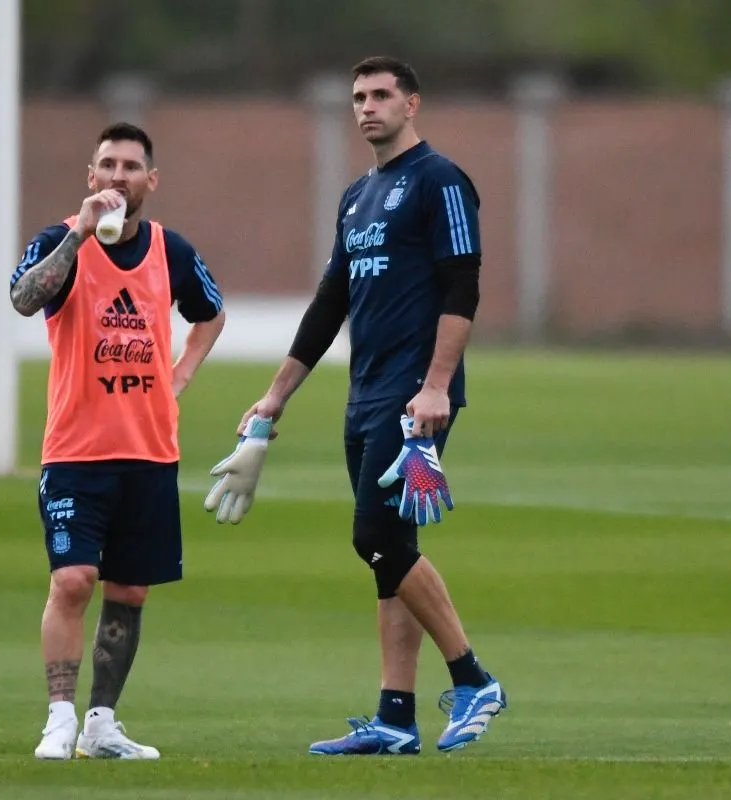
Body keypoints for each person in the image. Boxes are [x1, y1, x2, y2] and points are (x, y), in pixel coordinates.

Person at [216, 56, 506, 755]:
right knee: (390, 555)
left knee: (374, 537)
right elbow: (329, 305)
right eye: (358, 97)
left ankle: (474, 679)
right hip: (365, 394)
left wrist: (436, 386)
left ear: (412, 104)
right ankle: (395, 718)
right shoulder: (356, 197)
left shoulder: (440, 180)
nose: (367, 107)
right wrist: (275, 396)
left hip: (414, 399)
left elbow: (463, 286)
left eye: (380, 95)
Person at [10, 122, 227, 760]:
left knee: (129, 591)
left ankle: (101, 724)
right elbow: (23, 299)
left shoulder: (170, 250)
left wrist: (179, 376)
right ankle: (59, 719)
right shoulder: (58, 241)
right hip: (76, 451)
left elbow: (211, 312)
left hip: (149, 450)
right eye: (107, 164)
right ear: (90, 176)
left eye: (131, 166)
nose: (117, 176)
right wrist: (79, 233)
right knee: (73, 579)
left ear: (150, 181)